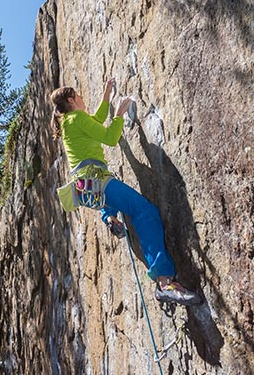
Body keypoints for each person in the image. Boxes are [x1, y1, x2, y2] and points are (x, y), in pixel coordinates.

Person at [51, 79, 200, 306]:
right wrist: (120, 113)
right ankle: (164, 282)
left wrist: (106, 96)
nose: (82, 98)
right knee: (144, 212)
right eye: (78, 96)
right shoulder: (76, 118)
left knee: (115, 200)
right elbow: (110, 138)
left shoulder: (70, 122)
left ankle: (108, 216)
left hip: (88, 186)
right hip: (98, 180)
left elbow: (96, 121)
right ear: (71, 100)